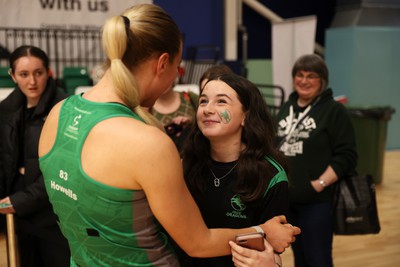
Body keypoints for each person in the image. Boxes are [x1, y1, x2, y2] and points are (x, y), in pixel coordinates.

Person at [37, 4, 300, 267]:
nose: (175, 76)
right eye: (177, 67)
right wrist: (262, 231)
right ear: (163, 63)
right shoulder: (149, 143)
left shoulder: (59, 113)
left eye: (221, 102)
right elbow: (198, 242)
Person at [179, 73, 291, 267]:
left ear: (245, 116)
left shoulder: (271, 176)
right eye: (203, 101)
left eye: (221, 101)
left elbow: (272, 251)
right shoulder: (184, 165)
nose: (207, 109)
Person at [276, 54, 357, 267]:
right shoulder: (287, 107)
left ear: (322, 81)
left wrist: (319, 184)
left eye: (311, 76)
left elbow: (347, 155)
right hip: (289, 201)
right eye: (300, 75)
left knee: (318, 260)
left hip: (317, 202)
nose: (304, 80)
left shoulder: (334, 111)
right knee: (300, 259)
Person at [0, 45, 70, 267]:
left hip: (54, 216)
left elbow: (62, 170)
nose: (32, 81)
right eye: (24, 74)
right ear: (12, 75)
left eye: (38, 73)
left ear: (49, 72)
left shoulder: (65, 109)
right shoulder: (5, 110)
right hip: (17, 214)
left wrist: (19, 201)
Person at [150, 77, 198, 153]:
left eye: (164, 75)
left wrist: (191, 125)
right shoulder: (146, 106)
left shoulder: (190, 97)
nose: (161, 82)